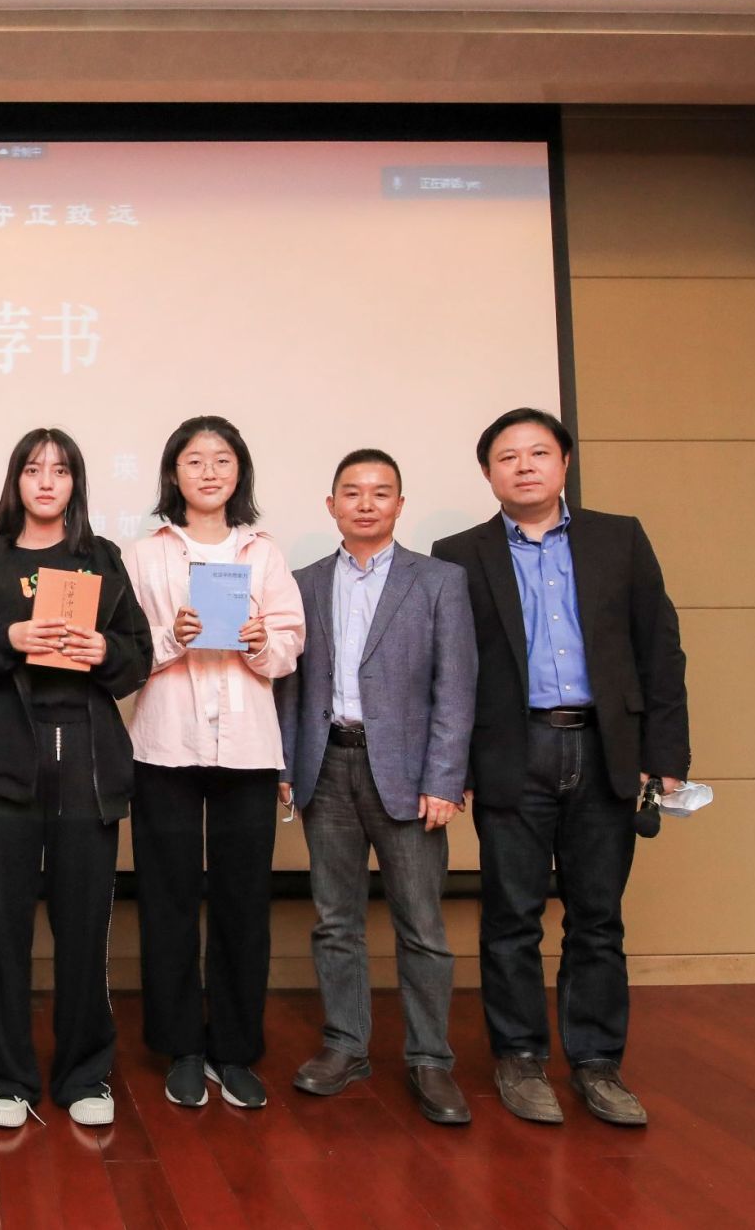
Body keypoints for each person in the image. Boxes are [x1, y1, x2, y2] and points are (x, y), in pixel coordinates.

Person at [432, 408, 689, 1128]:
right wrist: (454, 764)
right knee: (511, 916)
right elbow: (450, 668)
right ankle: (518, 1056)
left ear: (564, 462)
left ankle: (598, 1063)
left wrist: (665, 756)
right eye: (507, 456)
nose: (524, 466)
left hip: (606, 749)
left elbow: (660, 648)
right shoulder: (458, 553)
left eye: (538, 452)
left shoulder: (619, 538)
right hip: (511, 751)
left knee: (597, 917)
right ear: (488, 473)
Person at [0, 428, 152, 1129]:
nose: (46, 482)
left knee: (85, 927)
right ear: (16, 482)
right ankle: (5, 1077)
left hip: (86, 764)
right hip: (2, 764)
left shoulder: (102, 558)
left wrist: (101, 650)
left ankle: (85, 1072)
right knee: (1, 927)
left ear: (75, 484)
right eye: (33, 470)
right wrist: (10, 638)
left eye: (60, 471)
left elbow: (137, 657)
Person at [275, 449, 477, 1125]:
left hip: (411, 777)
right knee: (336, 921)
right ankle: (345, 1045)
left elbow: (456, 687)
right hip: (326, 767)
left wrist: (445, 778)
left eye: (380, 492)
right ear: (330, 504)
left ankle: (431, 1058)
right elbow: (291, 685)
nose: (366, 503)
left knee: (422, 925)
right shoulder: (303, 582)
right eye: (352, 492)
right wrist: (285, 765)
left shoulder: (440, 581)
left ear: (399, 504)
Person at [123, 415, 304, 1110]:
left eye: (221, 459)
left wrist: (260, 642)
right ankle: (182, 1047)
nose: (208, 471)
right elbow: (125, 648)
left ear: (239, 472)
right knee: (167, 900)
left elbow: (290, 642)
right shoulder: (144, 555)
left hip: (249, 750)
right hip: (164, 746)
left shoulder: (264, 552)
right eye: (194, 460)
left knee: (242, 903)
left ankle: (234, 1048)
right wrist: (174, 635)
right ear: (174, 473)